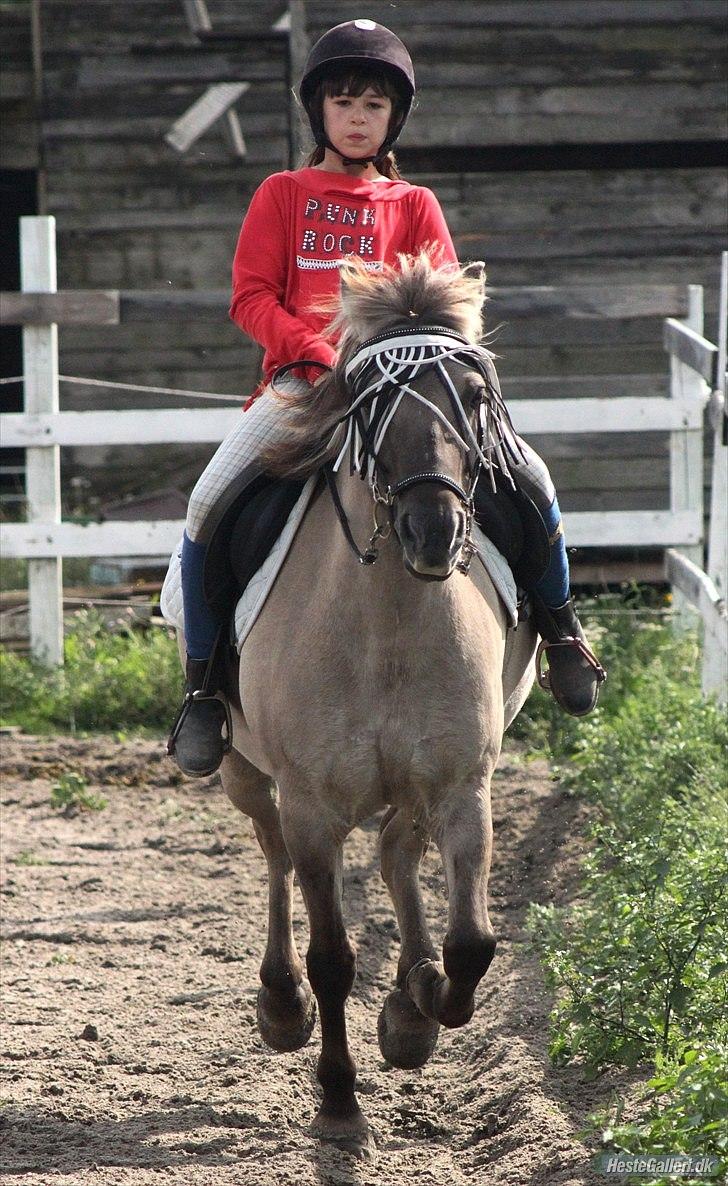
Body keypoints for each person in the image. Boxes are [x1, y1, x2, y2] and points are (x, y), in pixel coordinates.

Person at [167, 18, 605, 778]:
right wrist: (311, 350)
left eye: (375, 104)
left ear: (393, 117)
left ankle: (563, 633)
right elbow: (250, 298)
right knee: (208, 504)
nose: (359, 115)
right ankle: (205, 687)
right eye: (345, 102)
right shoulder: (283, 193)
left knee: (531, 475)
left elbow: (450, 308)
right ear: (320, 113)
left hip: (404, 393)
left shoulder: (414, 205)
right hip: (303, 391)